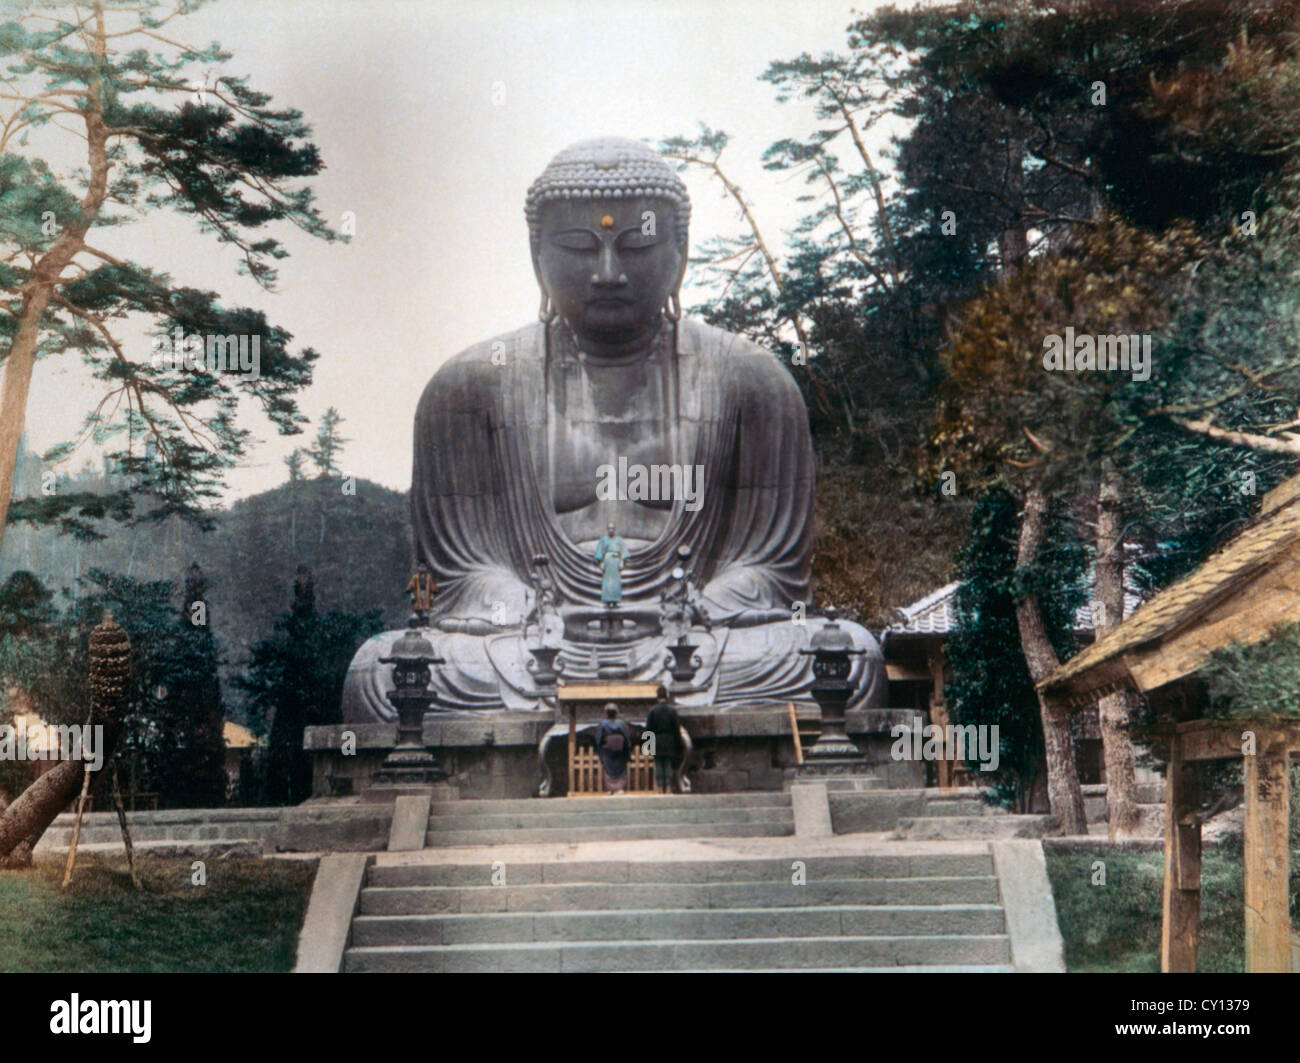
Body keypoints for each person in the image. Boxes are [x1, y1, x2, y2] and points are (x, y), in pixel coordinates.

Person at [643, 689, 681, 794]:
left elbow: (648, 729)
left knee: (658, 763)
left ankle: (659, 786)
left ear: (657, 696)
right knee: (668, 763)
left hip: (656, 739)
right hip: (669, 739)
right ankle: (668, 786)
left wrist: (647, 745)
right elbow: (676, 728)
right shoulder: (672, 710)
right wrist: (678, 743)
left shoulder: (652, 711)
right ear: (667, 696)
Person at [594, 703, 633, 794]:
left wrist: (600, 751)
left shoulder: (603, 724)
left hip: (607, 749)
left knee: (608, 768)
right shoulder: (622, 724)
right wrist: (628, 749)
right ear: (616, 712)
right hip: (620, 749)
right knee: (620, 768)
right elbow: (627, 738)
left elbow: (598, 739)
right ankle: (619, 788)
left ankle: (611, 788)